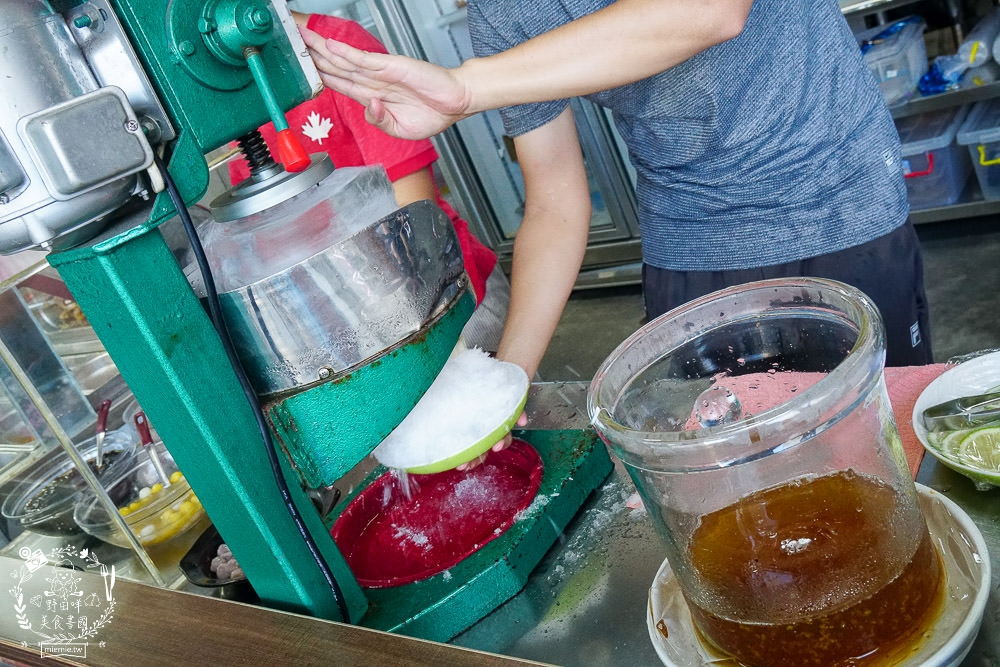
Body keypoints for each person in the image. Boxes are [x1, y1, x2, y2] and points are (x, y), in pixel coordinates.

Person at [298, 0, 932, 379]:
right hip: (689, 242)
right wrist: (509, 376)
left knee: (878, 448)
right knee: (735, 481)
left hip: (840, 206)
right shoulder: (505, 11)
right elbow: (553, 198)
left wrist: (467, 89)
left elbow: (709, 13)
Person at [229, 11, 509, 354]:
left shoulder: (339, 50)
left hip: (446, 285)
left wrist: (407, 314)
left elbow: (416, 211)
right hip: (355, 311)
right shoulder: (232, 96)